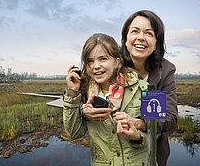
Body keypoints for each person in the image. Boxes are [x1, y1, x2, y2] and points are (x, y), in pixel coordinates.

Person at [63, 33, 149, 166]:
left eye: (103, 59)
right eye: (90, 61)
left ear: (117, 62)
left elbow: (157, 135)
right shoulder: (83, 94)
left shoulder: (147, 89)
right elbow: (74, 134)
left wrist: (137, 137)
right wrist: (72, 92)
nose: (95, 66)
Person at [120, 10, 178, 166]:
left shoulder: (165, 70)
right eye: (135, 31)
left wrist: (141, 123)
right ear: (126, 39)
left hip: (153, 154)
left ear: (156, 43)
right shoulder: (114, 65)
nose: (141, 37)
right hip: (118, 152)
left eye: (149, 33)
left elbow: (170, 117)